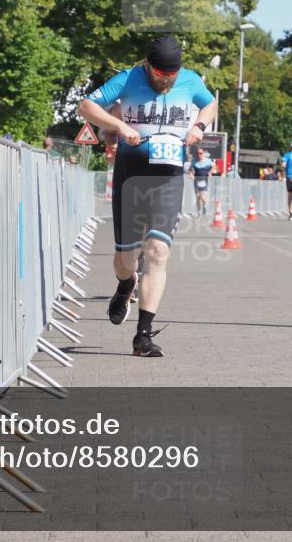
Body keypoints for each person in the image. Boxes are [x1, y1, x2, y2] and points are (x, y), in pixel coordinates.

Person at [77, 35, 217, 357]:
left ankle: (143, 336)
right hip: (132, 174)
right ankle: (126, 283)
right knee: (127, 258)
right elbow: (86, 105)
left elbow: (210, 103)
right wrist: (118, 125)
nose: (166, 80)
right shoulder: (128, 78)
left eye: (171, 75)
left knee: (157, 252)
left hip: (169, 178)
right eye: (160, 74)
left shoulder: (191, 80)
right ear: (148, 66)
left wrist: (200, 126)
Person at [188, 147, 215, 217]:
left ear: (203, 154)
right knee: (197, 196)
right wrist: (191, 174)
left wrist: (210, 172)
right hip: (196, 180)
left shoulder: (208, 161)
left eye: (200, 153)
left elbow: (214, 167)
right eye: (197, 153)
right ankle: (199, 211)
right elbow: (190, 170)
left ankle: (204, 205)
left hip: (204, 180)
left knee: (203, 197)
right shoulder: (194, 161)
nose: (199, 155)